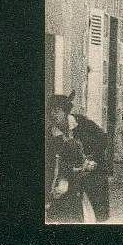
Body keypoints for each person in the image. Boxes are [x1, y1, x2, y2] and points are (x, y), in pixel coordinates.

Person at [45, 92, 111, 222]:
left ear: (65, 112)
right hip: (70, 178)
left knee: (92, 210)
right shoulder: (50, 135)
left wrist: (92, 158)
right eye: (50, 112)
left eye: (57, 111)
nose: (53, 115)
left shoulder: (83, 124)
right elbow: (52, 161)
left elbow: (103, 140)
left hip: (92, 175)